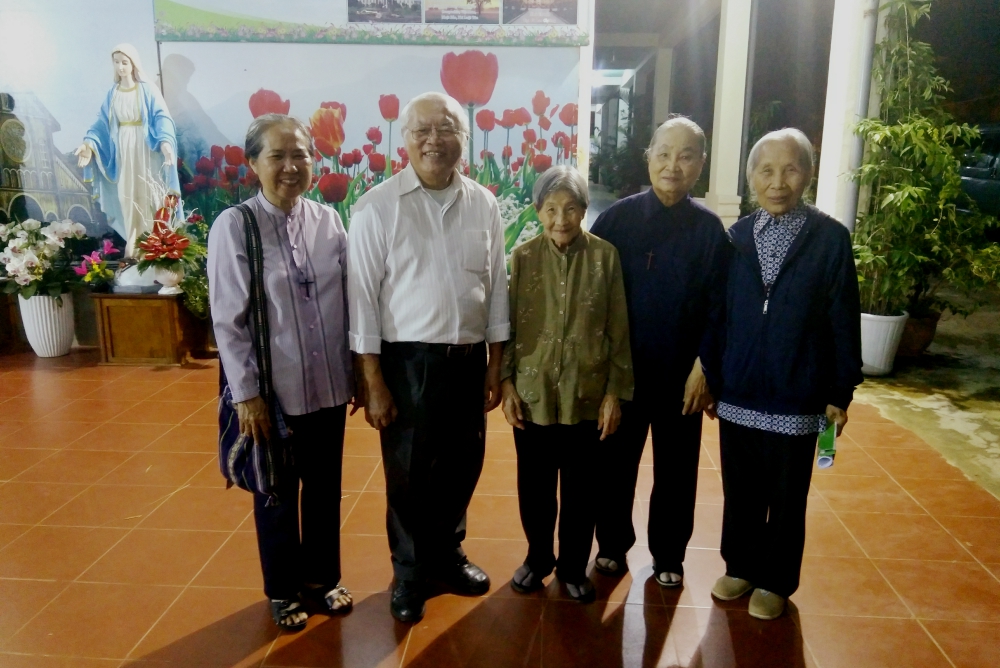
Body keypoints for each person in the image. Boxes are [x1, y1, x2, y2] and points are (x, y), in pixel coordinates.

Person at [347, 92, 510, 624]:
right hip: (406, 362)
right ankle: (410, 572)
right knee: (410, 471)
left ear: (464, 140)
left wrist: (495, 361)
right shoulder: (378, 206)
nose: (434, 139)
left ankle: (448, 554)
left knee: (463, 464)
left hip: (467, 360)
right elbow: (363, 300)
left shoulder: (484, 203)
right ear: (405, 139)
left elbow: (497, 286)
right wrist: (372, 379)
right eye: (422, 130)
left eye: (446, 129)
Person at [703, 128, 863, 620]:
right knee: (742, 490)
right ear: (751, 177)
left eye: (790, 169)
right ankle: (741, 566)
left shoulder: (829, 238)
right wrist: (712, 373)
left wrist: (840, 388)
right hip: (740, 389)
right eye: (766, 170)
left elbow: (843, 315)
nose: (778, 182)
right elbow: (718, 313)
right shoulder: (735, 238)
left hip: (798, 392)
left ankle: (776, 579)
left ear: (807, 175)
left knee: (787, 496)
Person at [208, 114, 355, 632]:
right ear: (253, 164)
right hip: (273, 392)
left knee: (324, 488)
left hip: (330, 386)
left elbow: (349, 303)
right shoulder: (235, 227)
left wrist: (357, 374)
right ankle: (282, 589)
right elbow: (228, 319)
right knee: (276, 490)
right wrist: (247, 395)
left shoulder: (329, 222)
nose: (291, 167)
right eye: (277, 156)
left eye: (301, 155)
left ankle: (322, 578)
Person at [589, 117, 732, 587]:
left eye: (686, 155)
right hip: (623, 374)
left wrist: (706, 366)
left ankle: (669, 554)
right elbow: (593, 298)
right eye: (665, 153)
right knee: (613, 465)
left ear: (700, 165)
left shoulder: (711, 232)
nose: (674, 165)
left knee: (677, 471)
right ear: (648, 156)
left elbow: (721, 307)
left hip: (681, 377)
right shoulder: (616, 220)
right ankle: (611, 545)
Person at [501, 166, 633, 603]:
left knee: (582, 491)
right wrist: (505, 382)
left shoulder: (606, 256)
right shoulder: (522, 258)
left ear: (584, 209)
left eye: (571, 208)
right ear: (537, 211)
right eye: (552, 209)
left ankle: (574, 566)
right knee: (534, 488)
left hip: (587, 395)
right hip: (533, 395)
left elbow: (618, 329)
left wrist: (615, 393)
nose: (562, 219)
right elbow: (507, 328)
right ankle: (538, 558)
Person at [75, 44, 180, 257]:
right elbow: (102, 124)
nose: (121, 67)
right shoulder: (113, 93)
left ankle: (154, 245)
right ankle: (133, 244)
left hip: (145, 149)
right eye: (117, 62)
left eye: (125, 62)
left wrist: (166, 143)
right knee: (127, 196)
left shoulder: (146, 89)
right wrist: (89, 145)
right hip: (123, 150)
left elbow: (162, 117)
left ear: (133, 64)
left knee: (150, 194)